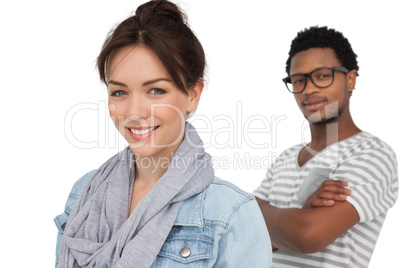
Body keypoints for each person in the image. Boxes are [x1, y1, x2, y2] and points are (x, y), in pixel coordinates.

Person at [54, 1, 272, 267]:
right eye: (119, 92)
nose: (134, 111)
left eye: (156, 90)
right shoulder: (84, 193)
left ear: (192, 94)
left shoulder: (231, 214)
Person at [254, 26, 398, 268]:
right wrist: (299, 214)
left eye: (322, 76)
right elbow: (236, 234)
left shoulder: (372, 154)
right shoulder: (285, 158)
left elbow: (307, 236)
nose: (309, 89)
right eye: (299, 80)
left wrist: (259, 211)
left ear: (350, 79)